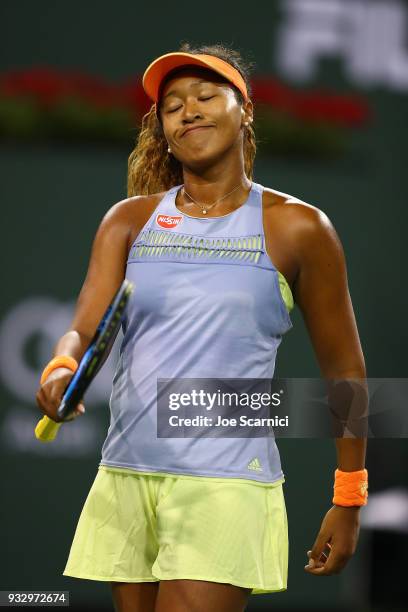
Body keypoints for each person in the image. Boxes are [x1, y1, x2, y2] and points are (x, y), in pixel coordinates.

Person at [36, 43, 368, 612]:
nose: (188, 110)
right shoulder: (128, 220)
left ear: (246, 112)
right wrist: (63, 366)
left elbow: (345, 370)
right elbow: (83, 331)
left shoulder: (300, 227)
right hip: (128, 475)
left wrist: (349, 494)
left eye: (206, 96)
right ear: (162, 129)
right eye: (172, 105)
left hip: (225, 485)